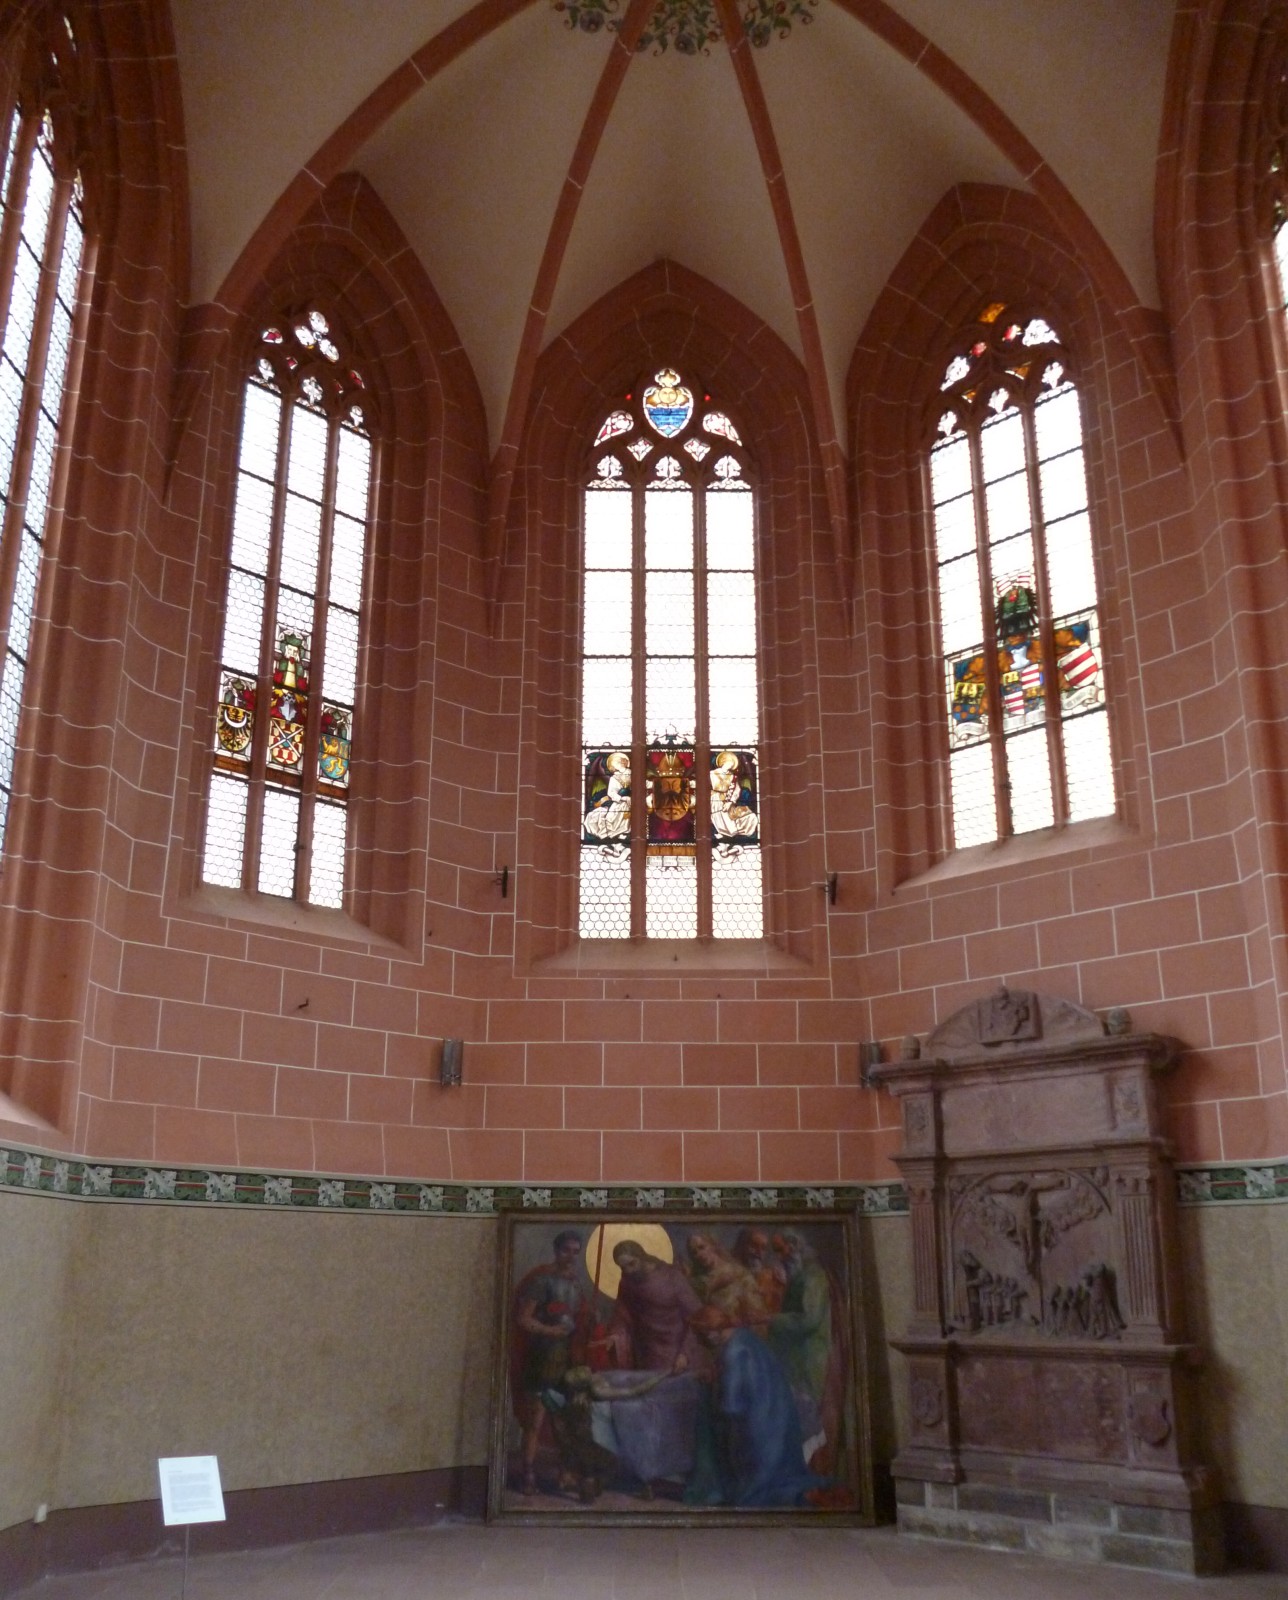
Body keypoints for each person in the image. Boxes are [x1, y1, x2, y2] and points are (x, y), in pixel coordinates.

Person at [683, 1305, 821, 1508]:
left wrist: (712, 1389)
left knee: (707, 1420)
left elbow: (732, 1406)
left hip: (759, 1438)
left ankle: (714, 1488)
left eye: (699, 1336)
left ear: (711, 1333)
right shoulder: (745, 1337)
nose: (698, 1342)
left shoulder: (734, 1351)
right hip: (777, 1426)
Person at [511, 1230, 589, 1495]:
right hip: (542, 1357)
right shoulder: (542, 1281)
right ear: (557, 1251)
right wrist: (549, 1331)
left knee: (565, 1420)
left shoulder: (576, 1285)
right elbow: (524, 1318)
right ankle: (528, 1473)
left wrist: (589, 1319)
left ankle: (565, 1475)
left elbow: (576, 1320)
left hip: (567, 1359)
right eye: (567, 1251)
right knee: (535, 1420)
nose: (571, 1257)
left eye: (576, 1252)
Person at [768, 1230, 845, 1472]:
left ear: (794, 1246)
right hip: (800, 1358)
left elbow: (809, 1320)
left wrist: (769, 1319)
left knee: (813, 1417)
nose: (779, 1257)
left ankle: (817, 1473)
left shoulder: (814, 1276)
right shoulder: (800, 1275)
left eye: (780, 1250)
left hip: (813, 1359)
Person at [541, 1363, 672, 1503]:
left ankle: (585, 1486)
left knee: (592, 1467)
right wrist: (666, 1373)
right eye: (590, 1375)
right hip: (586, 1446)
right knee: (611, 1464)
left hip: (573, 1446)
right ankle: (586, 1486)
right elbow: (635, 1391)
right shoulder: (591, 1395)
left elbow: (547, 1397)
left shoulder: (566, 1396)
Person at [609, 1239, 704, 1372]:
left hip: (679, 1346)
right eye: (623, 1268)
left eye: (632, 1264)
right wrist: (616, 1333)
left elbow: (698, 1316)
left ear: (641, 1256)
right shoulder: (627, 1282)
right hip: (652, 1353)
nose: (629, 1271)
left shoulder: (671, 1277)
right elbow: (622, 1313)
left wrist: (685, 1353)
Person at [685, 1231, 769, 1326]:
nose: (699, 1254)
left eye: (702, 1247)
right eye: (694, 1252)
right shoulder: (697, 1282)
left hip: (745, 1327)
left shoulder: (738, 1271)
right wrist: (715, 1286)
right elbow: (697, 1312)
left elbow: (756, 1305)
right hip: (717, 1330)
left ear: (712, 1246)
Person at [583, 751, 631, 842]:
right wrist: (622, 798)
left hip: (634, 802)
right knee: (610, 818)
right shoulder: (614, 778)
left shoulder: (633, 774)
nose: (618, 764)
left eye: (620, 761)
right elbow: (611, 793)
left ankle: (624, 832)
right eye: (616, 763)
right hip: (619, 803)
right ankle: (617, 833)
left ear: (625, 762)